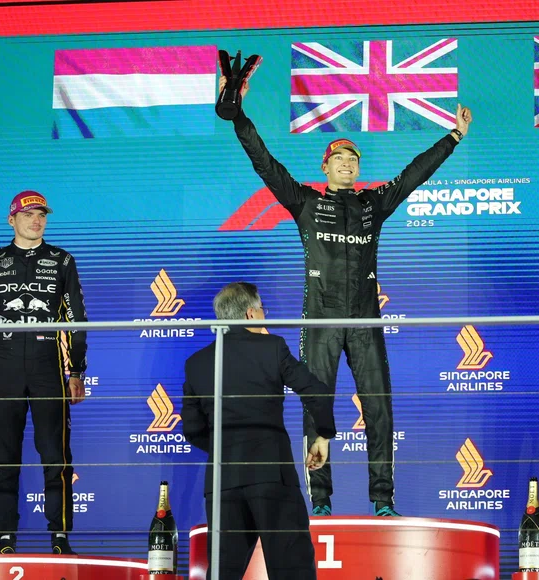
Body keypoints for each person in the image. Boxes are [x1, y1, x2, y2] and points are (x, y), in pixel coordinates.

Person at [224, 75, 472, 516]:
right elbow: (265, 162)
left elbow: (415, 173)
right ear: (325, 167)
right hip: (320, 322)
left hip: (365, 322)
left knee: (379, 411)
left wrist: (453, 137)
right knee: (315, 407)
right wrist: (238, 116)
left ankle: (383, 500)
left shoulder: (373, 204)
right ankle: (320, 502)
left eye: (353, 159)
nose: (347, 163)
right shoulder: (303, 202)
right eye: (338, 158)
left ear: (358, 169)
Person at [0, 191, 87, 555]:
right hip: (5, 365)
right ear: (11, 219)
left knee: (56, 456)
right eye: (28, 214)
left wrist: (76, 370)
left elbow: (77, 319)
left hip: (48, 366)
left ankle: (60, 537)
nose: (36, 220)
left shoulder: (62, 260)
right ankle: (5, 538)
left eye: (42, 214)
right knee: (4, 457)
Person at [181, 282, 336, 580]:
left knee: (222, 572)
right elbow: (316, 392)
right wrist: (323, 435)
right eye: (263, 309)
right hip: (271, 474)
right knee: (292, 570)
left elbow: (192, 428)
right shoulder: (272, 347)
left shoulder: (196, 363)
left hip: (222, 481)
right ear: (251, 314)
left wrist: (226, 449)